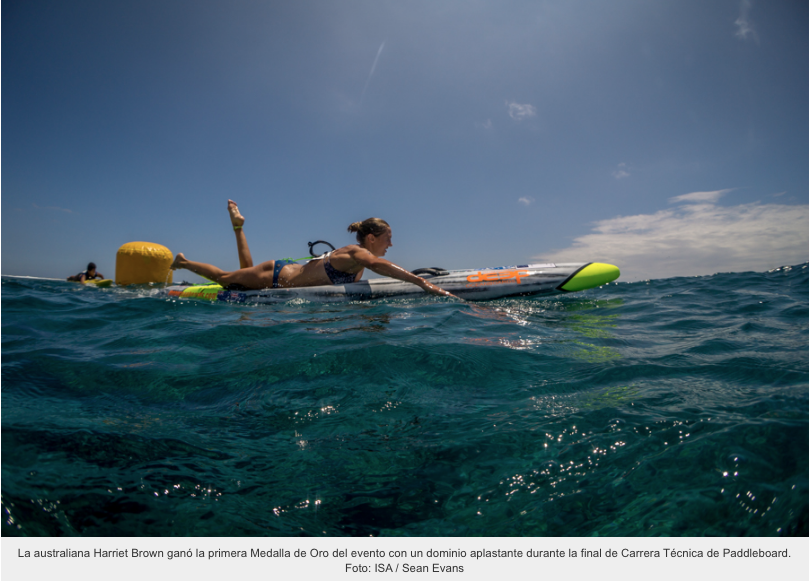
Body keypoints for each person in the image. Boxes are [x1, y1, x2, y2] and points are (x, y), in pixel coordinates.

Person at [170, 200, 459, 299]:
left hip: (282, 284)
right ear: (371, 238)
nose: (391, 245)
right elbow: (380, 266)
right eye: (388, 238)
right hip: (277, 274)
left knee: (240, 280)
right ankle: (183, 262)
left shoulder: (358, 263)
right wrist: (421, 283)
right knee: (225, 278)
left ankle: (238, 226)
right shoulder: (357, 254)